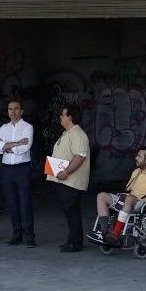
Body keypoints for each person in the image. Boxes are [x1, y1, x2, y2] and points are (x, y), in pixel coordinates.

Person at [91, 148, 146, 245]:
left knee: (129, 198)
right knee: (101, 196)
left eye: (139, 156)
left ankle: (116, 233)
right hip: (129, 200)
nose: (136, 158)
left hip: (145, 203)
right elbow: (128, 190)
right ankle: (104, 234)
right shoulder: (136, 172)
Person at [47, 104, 91, 253]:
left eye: (63, 114)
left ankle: (75, 243)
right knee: (70, 211)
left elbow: (80, 157)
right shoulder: (68, 133)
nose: (60, 117)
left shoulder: (78, 134)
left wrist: (65, 172)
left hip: (71, 182)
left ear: (70, 117)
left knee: (72, 212)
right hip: (64, 181)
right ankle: (72, 240)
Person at [0, 99, 36, 248]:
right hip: (6, 169)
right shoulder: (4, 128)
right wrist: (16, 144)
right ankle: (17, 234)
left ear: (21, 111)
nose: (13, 111)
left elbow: (25, 147)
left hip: (22, 168)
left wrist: (5, 147)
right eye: (10, 109)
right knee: (11, 203)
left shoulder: (27, 127)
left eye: (16, 108)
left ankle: (29, 236)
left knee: (24, 202)